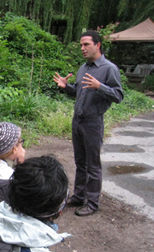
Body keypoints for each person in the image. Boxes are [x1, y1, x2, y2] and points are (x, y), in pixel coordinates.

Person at [53, 30, 123, 216]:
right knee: (80, 162)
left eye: (86, 45)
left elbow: (118, 96)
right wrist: (66, 87)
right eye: (81, 45)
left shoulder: (109, 69)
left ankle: (92, 202)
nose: (82, 48)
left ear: (97, 45)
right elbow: (78, 92)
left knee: (93, 165)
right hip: (78, 121)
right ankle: (79, 196)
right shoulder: (83, 68)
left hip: (93, 122)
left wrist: (100, 87)